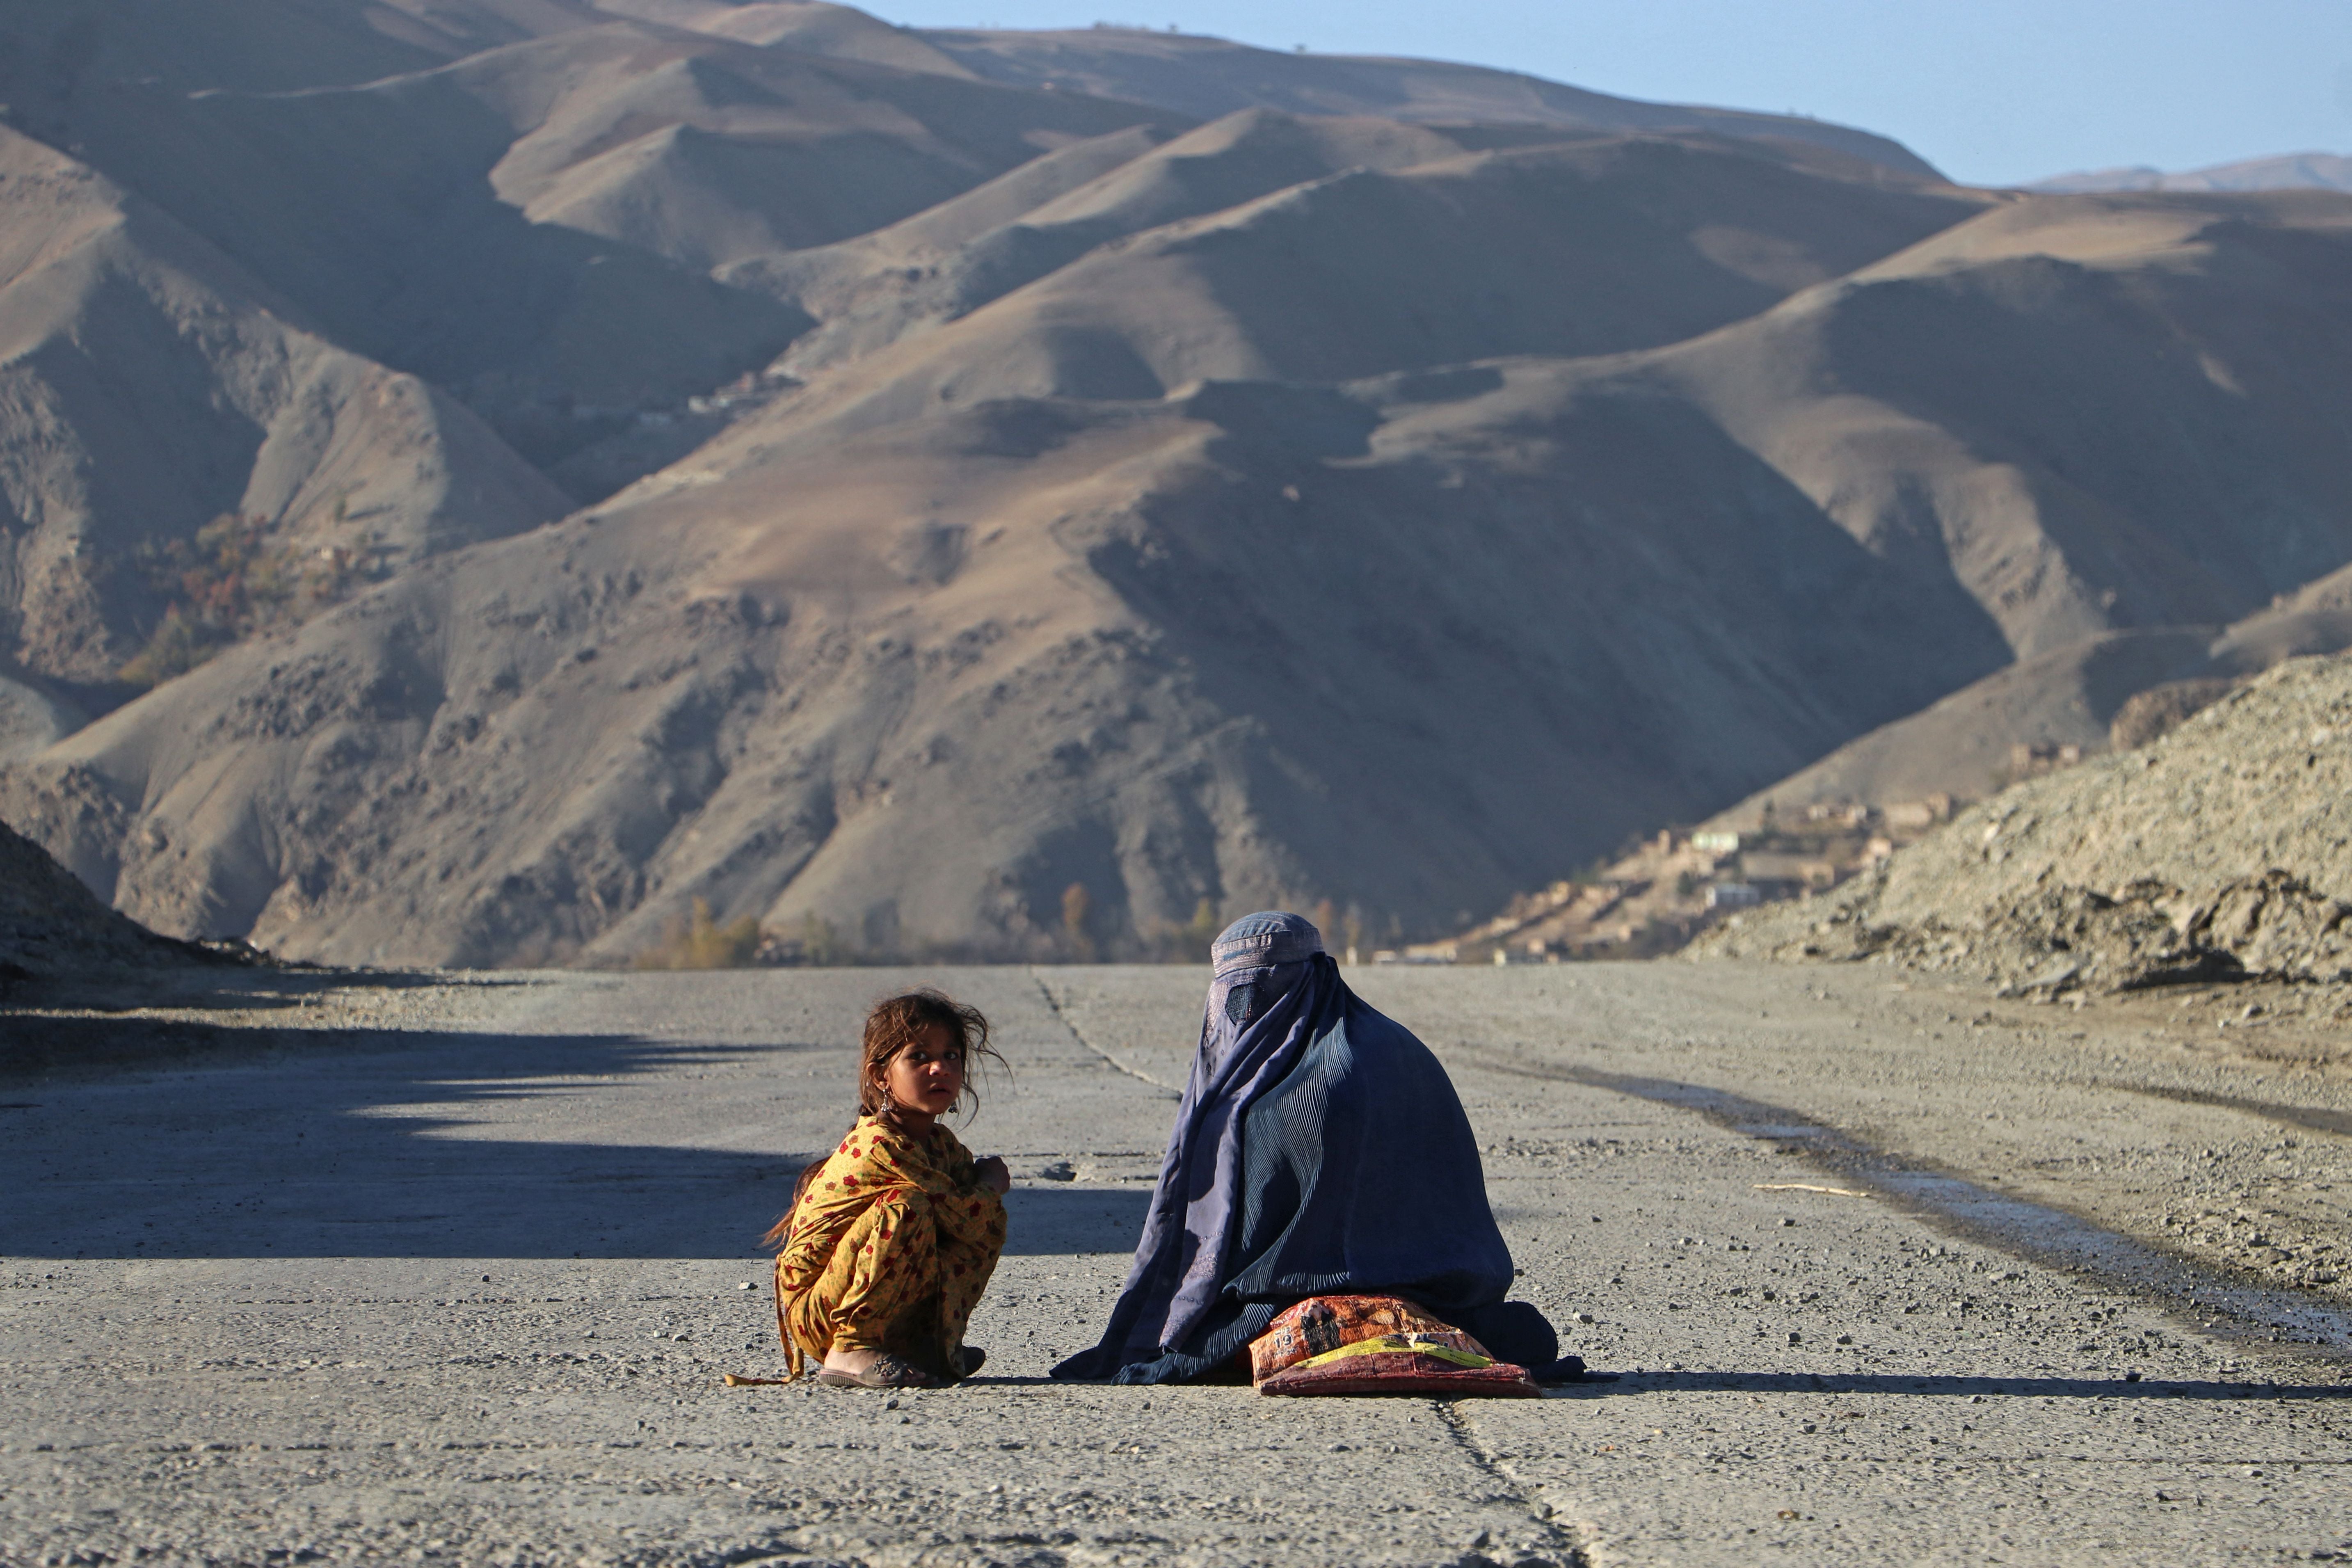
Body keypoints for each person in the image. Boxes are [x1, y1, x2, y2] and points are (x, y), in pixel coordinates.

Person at [1053, 911, 1561, 1385]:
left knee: (1206, 1340)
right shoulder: (1402, 1046)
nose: (1239, 1011)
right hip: (1458, 1299)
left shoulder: (1269, 1104)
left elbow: (1235, 1256)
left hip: (1310, 1301)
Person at [766, 990, 1012, 1389]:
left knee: (985, 1212)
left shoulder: (941, 1145)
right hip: (820, 1314)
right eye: (919, 1057)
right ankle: (851, 1349)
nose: (941, 1069)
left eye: (952, 1056)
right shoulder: (880, 1145)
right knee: (910, 1207)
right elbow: (964, 1216)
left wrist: (983, 1192)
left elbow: (971, 1222)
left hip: (857, 1300)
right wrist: (990, 1185)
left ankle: (924, 1343)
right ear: (881, 1075)